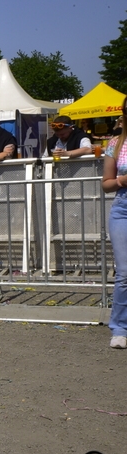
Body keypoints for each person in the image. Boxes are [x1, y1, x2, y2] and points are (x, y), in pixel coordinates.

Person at [103, 101, 127, 349]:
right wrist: (122, 180)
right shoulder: (116, 144)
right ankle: (120, 328)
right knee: (125, 273)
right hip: (123, 209)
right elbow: (106, 184)